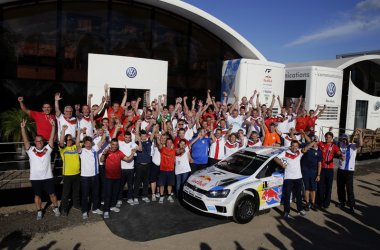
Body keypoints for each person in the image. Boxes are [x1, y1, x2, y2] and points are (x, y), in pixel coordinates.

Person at [20, 118, 60, 220]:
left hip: (48, 177)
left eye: (41, 141)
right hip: (35, 178)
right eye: (37, 141)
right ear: (35, 142)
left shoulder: (47, 149)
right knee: (37, 195)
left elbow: (51, 139)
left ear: (43, 142)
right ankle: (39, 211)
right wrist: (23, 128)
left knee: (52, 194)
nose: (39, 143)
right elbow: (25, 140)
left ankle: (56, 208)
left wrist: (53, 126)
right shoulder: (31, 150)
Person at [274, 140, 315, 219]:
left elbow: (307, 147)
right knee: (287, 196)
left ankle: (300, 210)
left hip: (298, 177)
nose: (295, 147)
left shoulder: (299, 152)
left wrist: (314, 141)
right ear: (291, 146)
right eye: (293, 146)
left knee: (298, 195)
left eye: (296, 146)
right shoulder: (285, 152)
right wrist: (281, 164)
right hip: (288, 178)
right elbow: (275, 158)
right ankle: (286, 212)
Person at [100, 138, 135, 219]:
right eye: (113, 144)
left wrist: (133, 153)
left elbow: (128, 159)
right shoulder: (107, 151)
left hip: (117, 177)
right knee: (108, 195)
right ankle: (106, 210)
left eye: (116, 145)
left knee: (115, 193)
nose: (114, 146)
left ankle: (112, 206)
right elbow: (101, 160)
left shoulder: (119, 152)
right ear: (110, 144)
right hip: (108, 177)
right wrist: (103, 154)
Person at [76, 129, 106, 219]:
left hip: (95, 175)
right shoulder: (81, 151)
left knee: (96, 193)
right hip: (85, 177)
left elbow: (102, 140)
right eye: (86, 143)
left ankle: (95, 208)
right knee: (85, 195)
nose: (88, 144)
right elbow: (77, 144)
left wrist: (104, 131)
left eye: (89, 142)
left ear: (91, 143)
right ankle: (84, 211)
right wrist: (79, 133)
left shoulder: (94, 149)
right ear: (84, 143)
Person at [336, 129, 363, 212]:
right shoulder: (340, 144)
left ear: (348, 139)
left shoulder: (353, 146)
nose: (344, 140)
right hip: (340, 170)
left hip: (349, 171)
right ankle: (342, 202)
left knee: (349, 189)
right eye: (343, 139)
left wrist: (360, 134)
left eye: (345, 139)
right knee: (340, 187)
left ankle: (352, 206)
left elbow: (361, 144)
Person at [59, 125, 81, 216]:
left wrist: (79, 133)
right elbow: (60, 142)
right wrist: (63, 131)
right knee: (66, 193)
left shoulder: (75, 147)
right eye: (68, 139)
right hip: (67, 174)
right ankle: (64, 208)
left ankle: (76, 205)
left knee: (76, 191)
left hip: (77, 173)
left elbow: (78, 143)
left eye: (71, 139)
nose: (69, 141)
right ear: (65, 141)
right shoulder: (63, 149)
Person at [317, 132, 343, 209]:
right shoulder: (321, 144)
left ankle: (326, 203)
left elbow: (338, 152)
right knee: (321, 186)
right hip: (322, 169)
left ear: (332, 138)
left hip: (330, 169)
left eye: (329, 137)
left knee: (328, 187)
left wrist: (341, 155)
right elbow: (313, 142)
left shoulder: (334, 146)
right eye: (326, 137)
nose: (327, 138)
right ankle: (320, 202)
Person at [133, 120, 154, 204]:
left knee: (146, 182)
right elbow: (137, 134)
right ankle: (135, 197)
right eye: (142, 136)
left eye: (145, 135)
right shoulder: (137, 142)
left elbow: (152, 135)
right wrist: (137, 125)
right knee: (137, 182)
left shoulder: (149, 142)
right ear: (140, 136)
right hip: (139, 165)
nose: (144, 137)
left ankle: (145, 196)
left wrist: (155, 127)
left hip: (147, 165)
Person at [301, 136, 322, 211]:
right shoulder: (307, 148)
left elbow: (319, 164)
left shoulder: (319, 151)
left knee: (313, 188)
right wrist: (312, 141)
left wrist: (318, 174)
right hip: (305, 171)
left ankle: (313, 203)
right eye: (313, 140)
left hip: (314, 172)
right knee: (307, 188)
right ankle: (307, 203)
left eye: (316, 140)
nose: (314, 141)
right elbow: (303, 150)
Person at [117, 131, 138, 206]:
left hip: (130, 168)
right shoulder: (120, 143)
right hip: (122, 167)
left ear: (130, 138)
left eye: (129, 137)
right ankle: (119, 199)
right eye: (126, 137)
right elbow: (112, 140)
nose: (127, 139)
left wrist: (135, 149)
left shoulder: (133, 144)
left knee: (130, 184)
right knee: (121, 185)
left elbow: (140, 149)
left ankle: (130, 198)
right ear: (124, 137)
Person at [156, 137, 176, 203]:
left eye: (170, 142)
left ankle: (169, 196)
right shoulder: (162, 149)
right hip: (163, 170)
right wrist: (157, 137)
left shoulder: (174, 150)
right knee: (161, 184)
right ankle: (161, 196)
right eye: (168, 142)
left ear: (172, 143)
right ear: (166, 143)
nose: (169, 144)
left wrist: (183, 147)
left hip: (171, 170)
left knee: (170, 184)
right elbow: (159, 144)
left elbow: (181, 151)